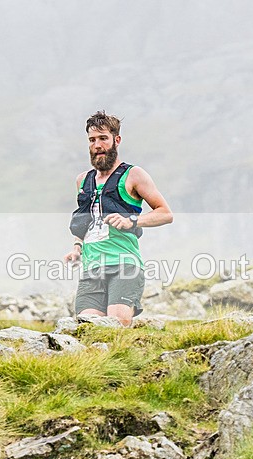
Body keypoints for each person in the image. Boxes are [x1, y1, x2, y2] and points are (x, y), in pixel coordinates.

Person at [63, 111, 173, 325]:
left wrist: (131, 221)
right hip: (91, 269)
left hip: (124, 265)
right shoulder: (82, 180)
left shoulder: (134, 175)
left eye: (103, 138)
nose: (97, 145)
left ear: (117, 140)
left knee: (115, 326)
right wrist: (77, 247)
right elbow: (86, 220)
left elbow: (165, 213)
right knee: (88, 329)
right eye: (92, 140)